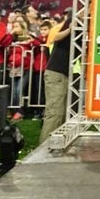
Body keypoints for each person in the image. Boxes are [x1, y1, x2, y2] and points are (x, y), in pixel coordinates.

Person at [40, 9, 72, 143]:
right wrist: (70, 29)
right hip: (56, 72)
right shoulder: (73, 21)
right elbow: (55, 37)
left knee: (62, 113)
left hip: (62, 73)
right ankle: (43, 148)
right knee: (55, 113)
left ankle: (55, 144)